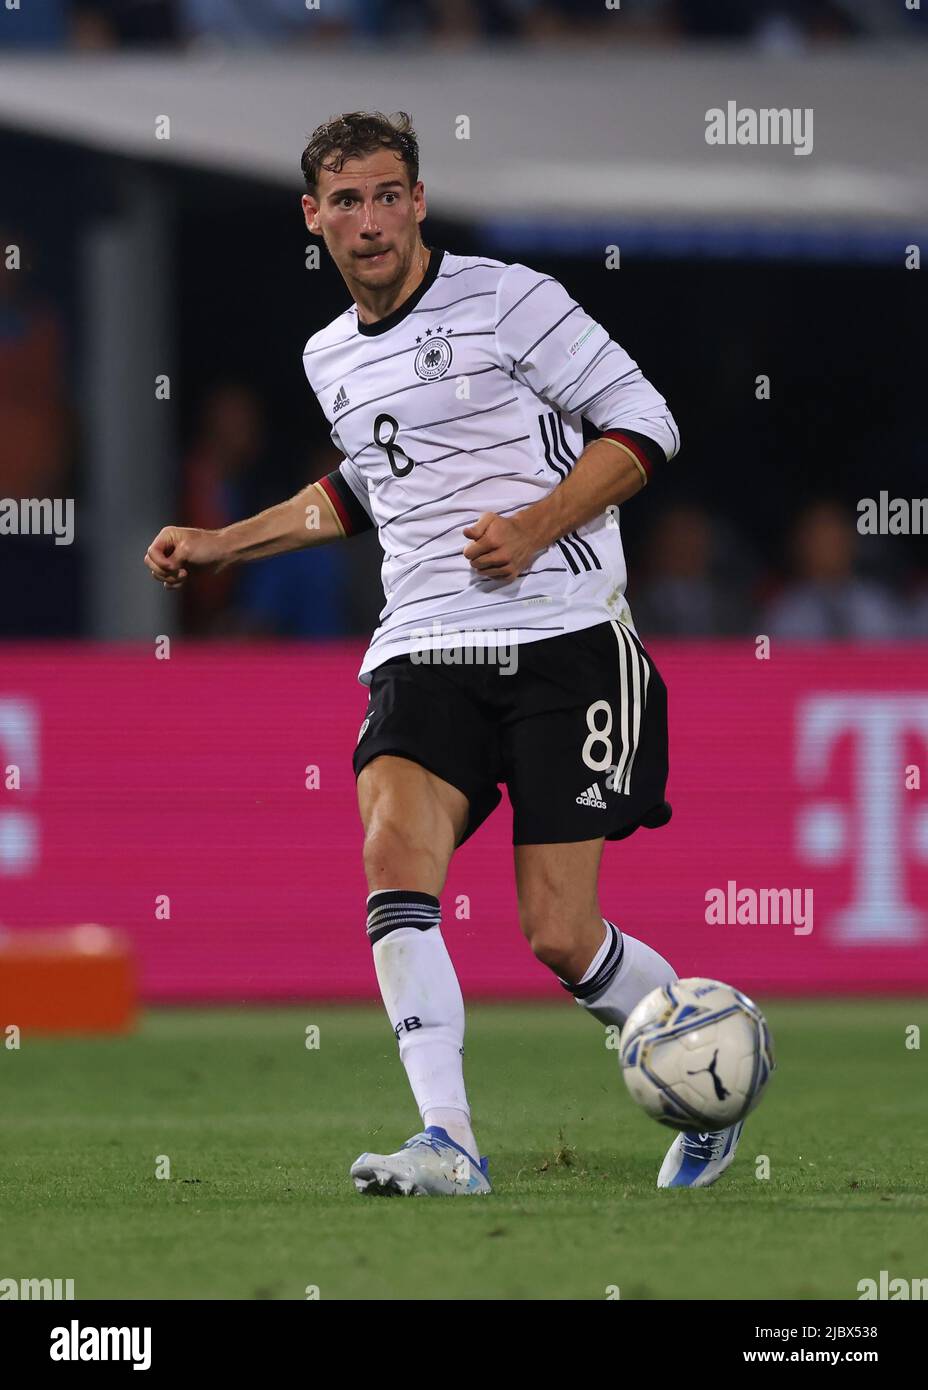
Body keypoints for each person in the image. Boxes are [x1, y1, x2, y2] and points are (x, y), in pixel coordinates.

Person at [145, 110, 742, 1195]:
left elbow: (645, 421)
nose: (368, 222)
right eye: (346, 201)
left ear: (418, 202)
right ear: (312, 216)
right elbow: (365, 487)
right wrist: (226, 541)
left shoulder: (510, 298)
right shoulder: (329, 355)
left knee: (559, 935)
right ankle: (448, 1140)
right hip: (422, 641)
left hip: (563, 633)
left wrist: (536, 524)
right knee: (391, 853)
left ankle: (709, 1063)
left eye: (387, 195)